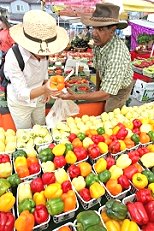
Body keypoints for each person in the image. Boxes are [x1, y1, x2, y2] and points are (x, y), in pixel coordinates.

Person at [58, 3, 134, 112]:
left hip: (120, 89)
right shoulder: (99, 44)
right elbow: (99, 68)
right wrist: (97, 89)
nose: (94, 33)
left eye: (100, 29)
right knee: (98, 103)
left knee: (110, 111)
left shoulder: (117, 54)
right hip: (107, 82)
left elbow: (106, 94)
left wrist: (75, 96)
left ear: (112, 30)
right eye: (94, 28)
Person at [4, 10, 69, 129]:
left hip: (39, 100)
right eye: (42, 52)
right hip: (20, 104)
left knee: (41, 128)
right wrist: (44, 89)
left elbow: (43, 73)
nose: (46, 54)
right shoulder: (13, 57)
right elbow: (22, 93)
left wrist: (46, 87)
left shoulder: (45, 51)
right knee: (26, 133)